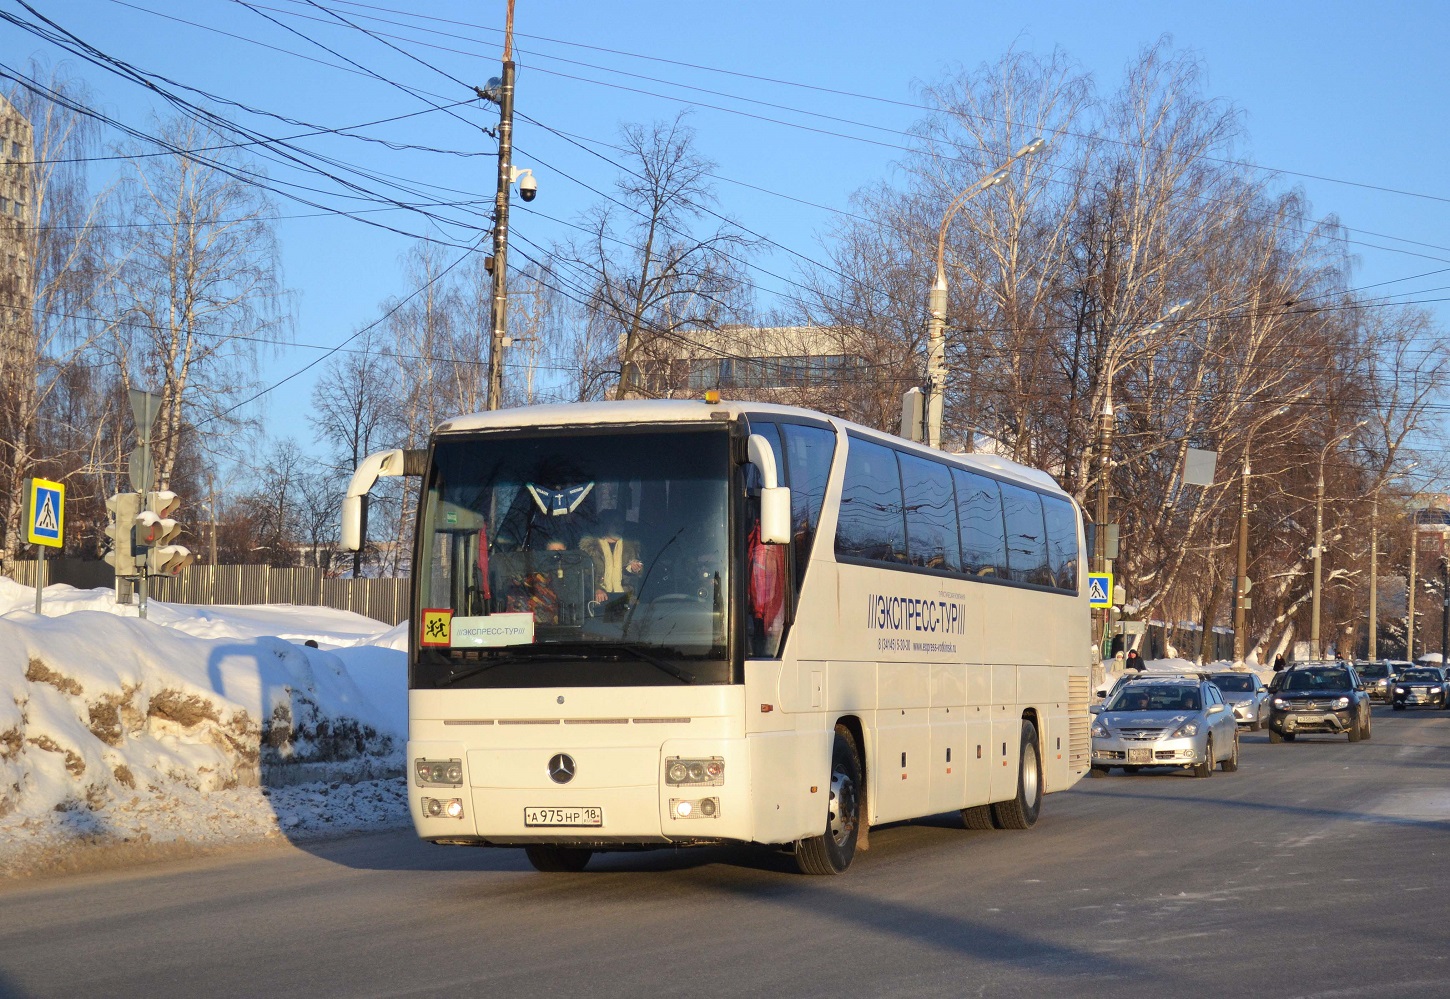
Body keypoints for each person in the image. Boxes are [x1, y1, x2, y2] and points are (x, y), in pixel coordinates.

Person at [581, 512, 644, 606]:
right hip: (600, 599)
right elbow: (584, 575)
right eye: (615, 524)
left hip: (625, 598)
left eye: (621, 524)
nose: (619, 527)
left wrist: (635, 569)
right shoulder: (592, 547)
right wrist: (596, 589)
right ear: (606, 525)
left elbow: (639, 574)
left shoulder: (630, 546)